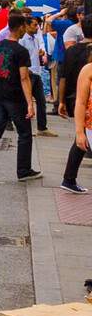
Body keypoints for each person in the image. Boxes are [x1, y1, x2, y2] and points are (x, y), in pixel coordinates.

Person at [0, 10, 42, 185]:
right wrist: (29, 103)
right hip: (14, 97)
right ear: (19, 28)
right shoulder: (21, 51)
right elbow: (24, 78)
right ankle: (23, 170)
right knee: (25, 133)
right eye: (24, 27)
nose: (25, 30)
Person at [60, 30, 91, 195]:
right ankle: (69, 179)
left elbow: (63, 77)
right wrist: (79, 131)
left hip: (73, 101)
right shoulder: (88, 70)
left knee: (79, 145)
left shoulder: (72, 51)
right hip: (88, 120)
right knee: (80, 143)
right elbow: (81, 101)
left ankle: (69, 179)